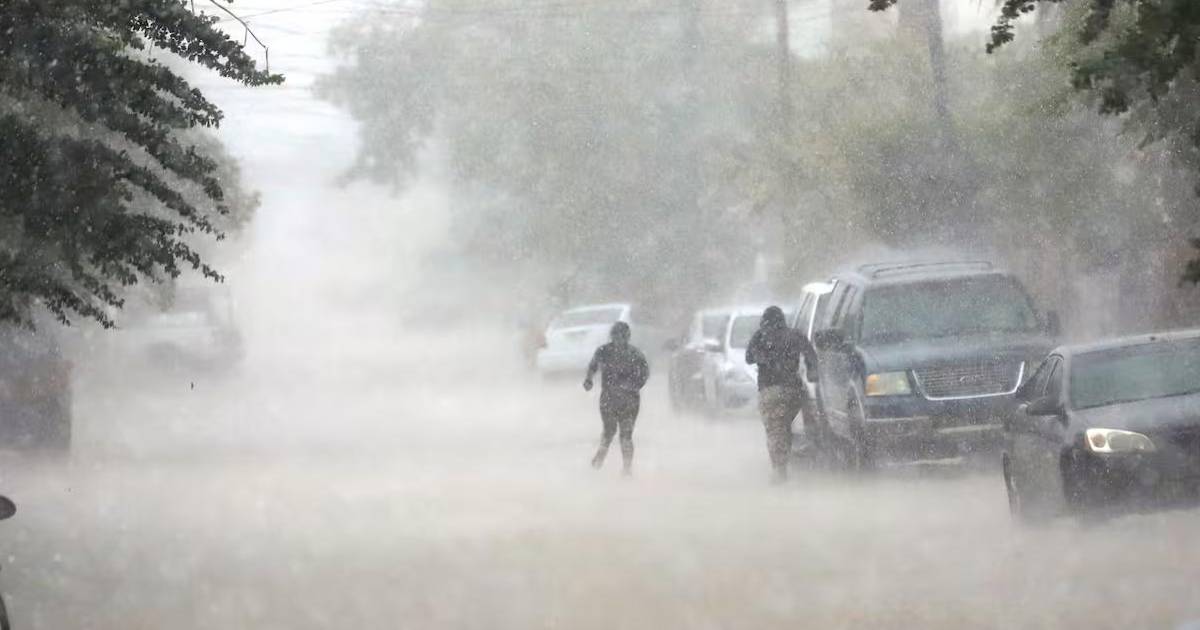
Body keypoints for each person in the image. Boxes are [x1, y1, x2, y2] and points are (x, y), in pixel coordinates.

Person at [745, 305, 818, 484]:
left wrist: (765, 359)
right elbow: (811, 355)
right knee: (784, 425)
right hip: (793, 391)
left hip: (770, 391)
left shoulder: (760, 336)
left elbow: (749, 358)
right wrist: (811, 373)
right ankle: (811, 443)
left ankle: (779, 470)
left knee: (775, 429)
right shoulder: (795, 335)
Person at [583, 322, 649, 475]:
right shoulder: (634, 353)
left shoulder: (605, 351)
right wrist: (634, 386)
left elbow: (593, 366)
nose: (618, 339)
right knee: (625, 435)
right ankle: (626, 468)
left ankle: (603, 457)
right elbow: (644, 373)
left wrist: (589, 379)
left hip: (612, 398)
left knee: (610, 431)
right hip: (627, 399)